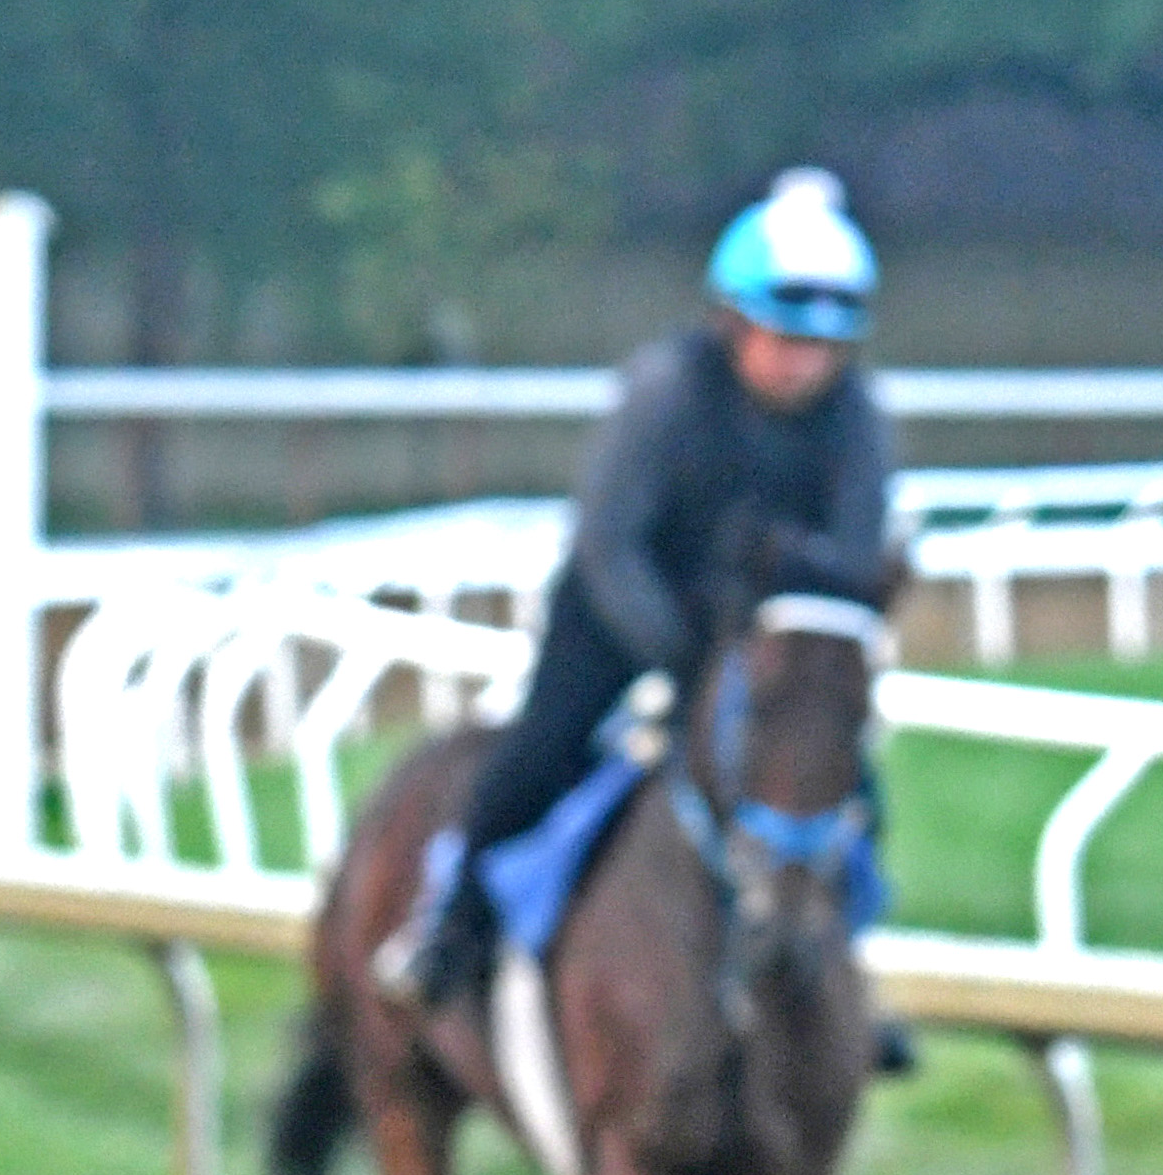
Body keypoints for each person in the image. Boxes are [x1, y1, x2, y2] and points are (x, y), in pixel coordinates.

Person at [384, 167, 896, 1030]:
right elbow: (609, 542)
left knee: (842, 785)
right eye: (782, 338)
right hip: (623, 616)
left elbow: (851, 556)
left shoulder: (856, 419)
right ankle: (450, 923)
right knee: (539, 752)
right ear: (733, 321)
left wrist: (775, 651)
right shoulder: (665, 391)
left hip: (760, 639)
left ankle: (843, 983)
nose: (800, 362)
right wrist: (680, 651)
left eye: (821, 346)